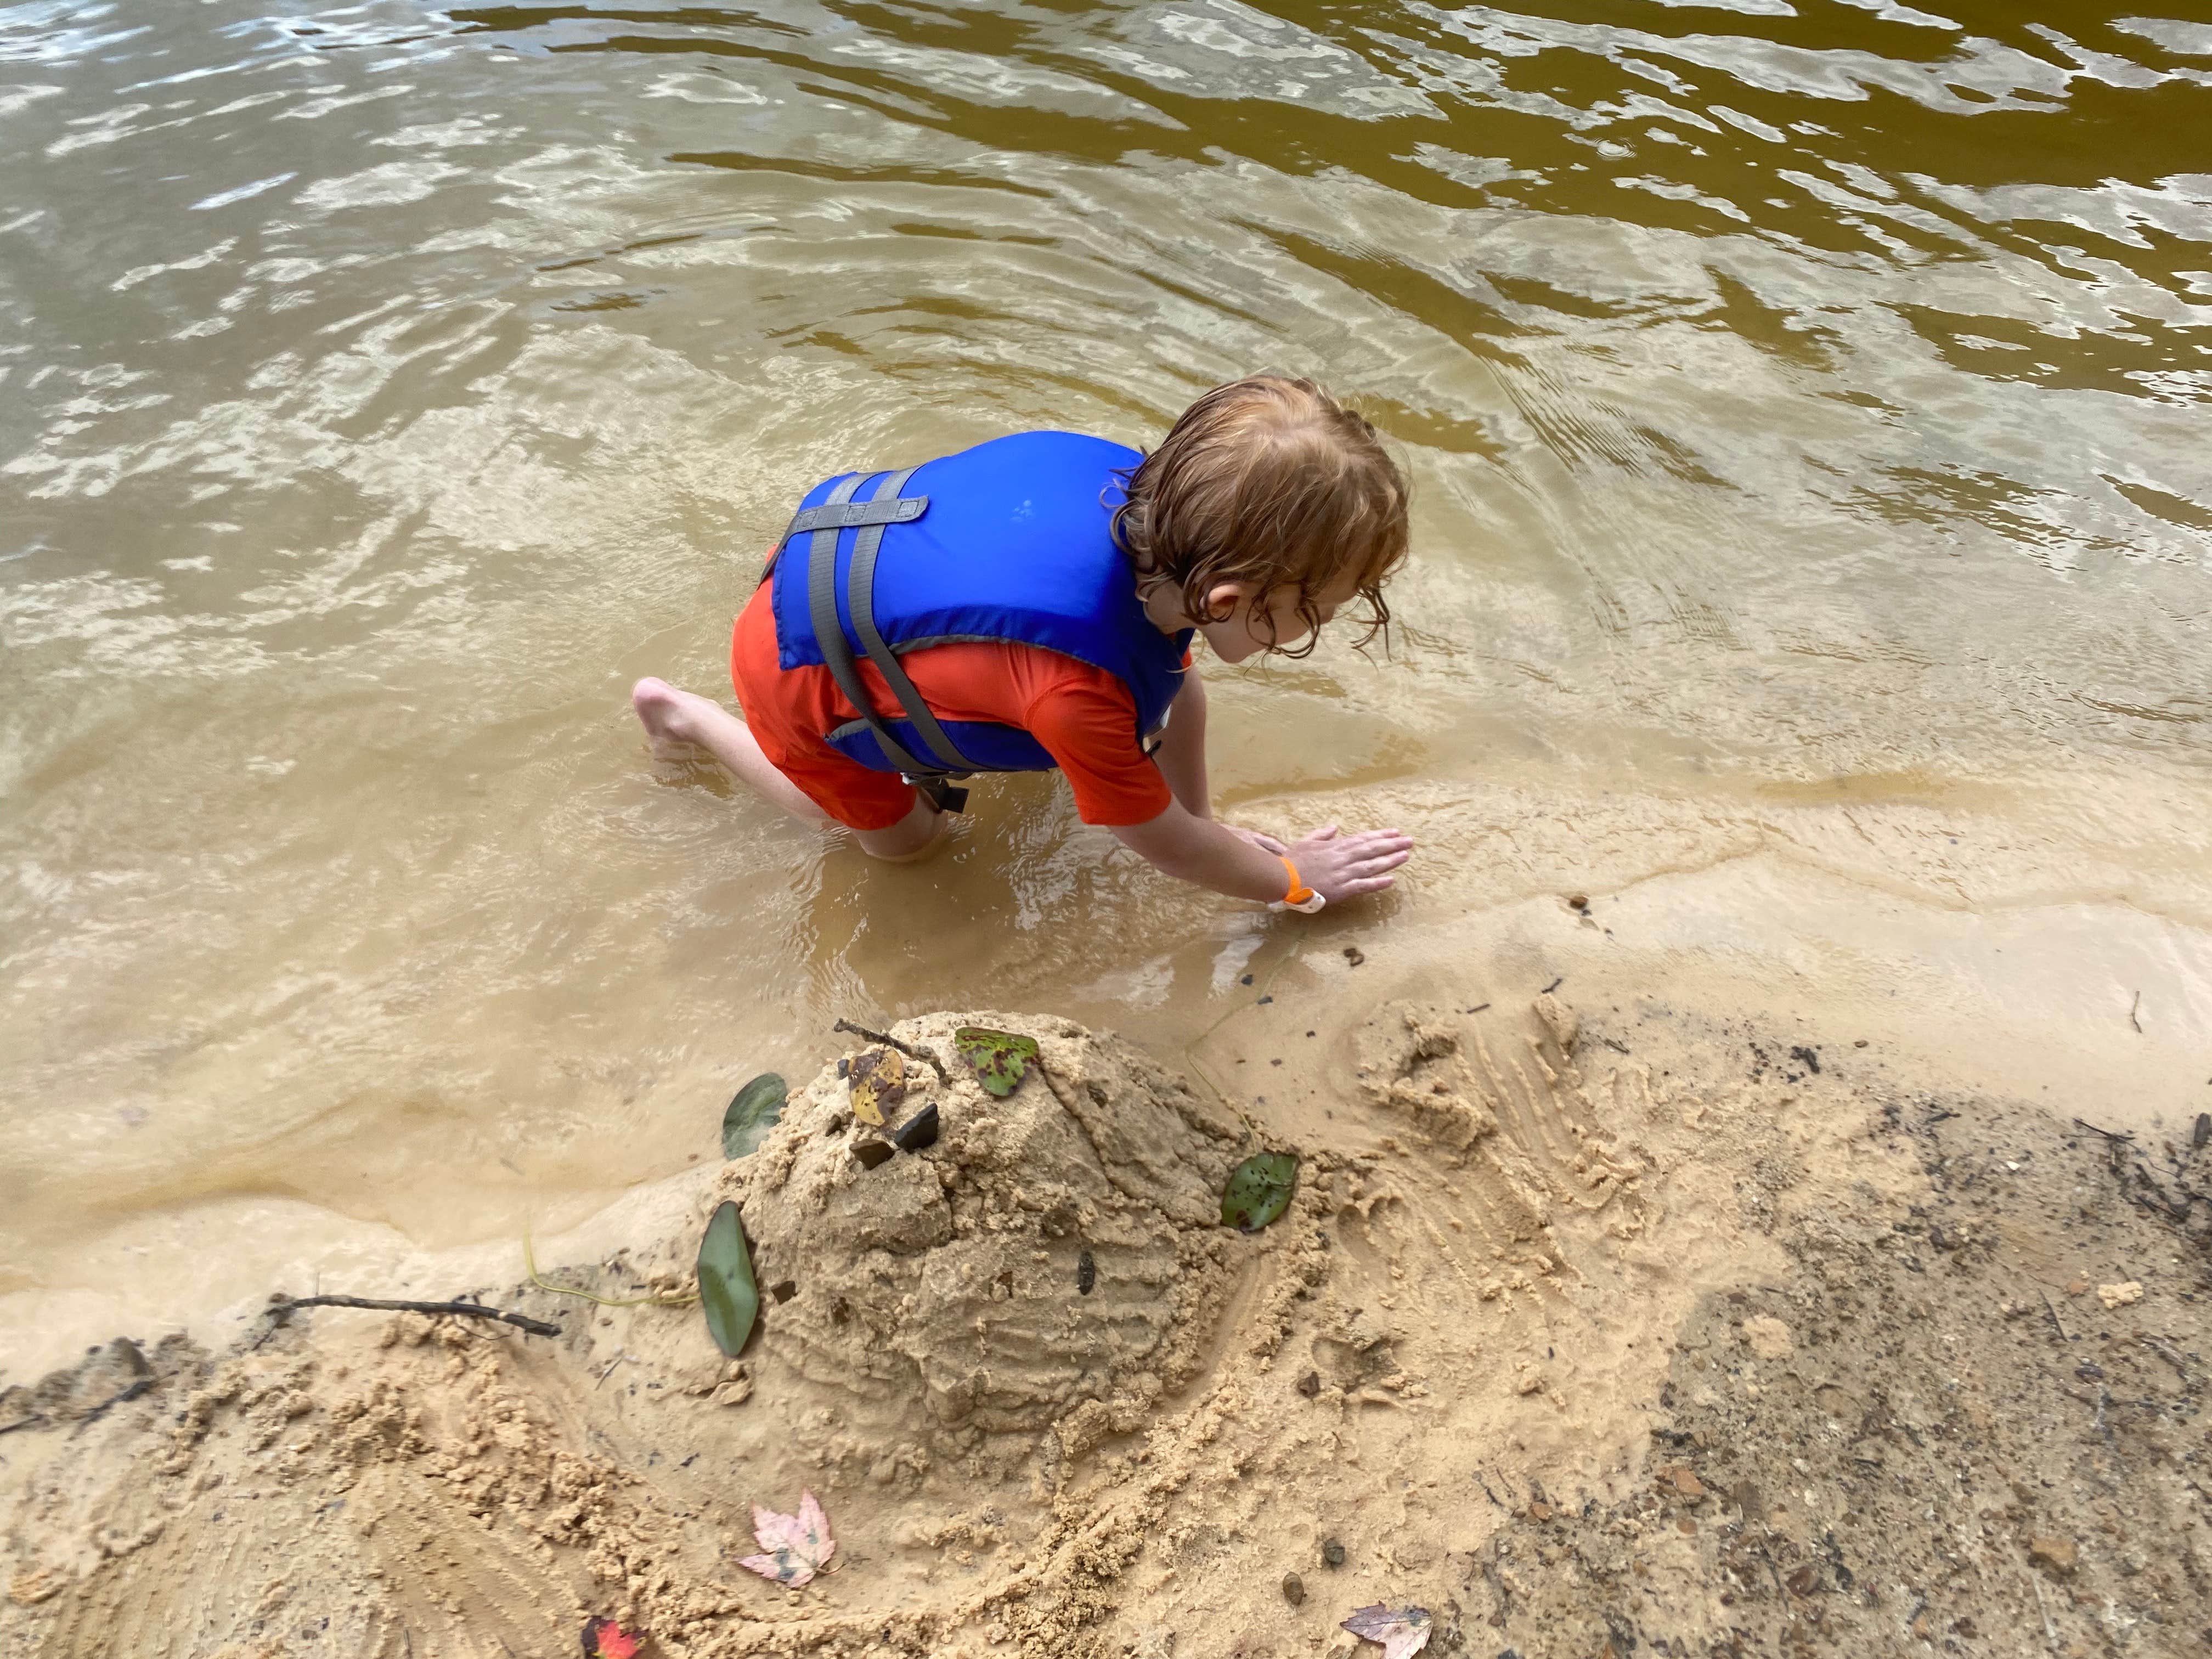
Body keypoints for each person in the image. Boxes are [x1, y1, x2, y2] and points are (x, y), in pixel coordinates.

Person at [631, 375, 1414, 911]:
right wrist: (1288, 878)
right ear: (1228, 601)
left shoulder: (1159, 518)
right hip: (797, 679)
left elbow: (1178, 689)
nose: (1321, 630)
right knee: (912, 847)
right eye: (1318, 613)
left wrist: (1204, 816)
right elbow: (1166, 848)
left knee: (1047, 711)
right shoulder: (1075, 691)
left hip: (826, 569)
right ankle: (688, 718)